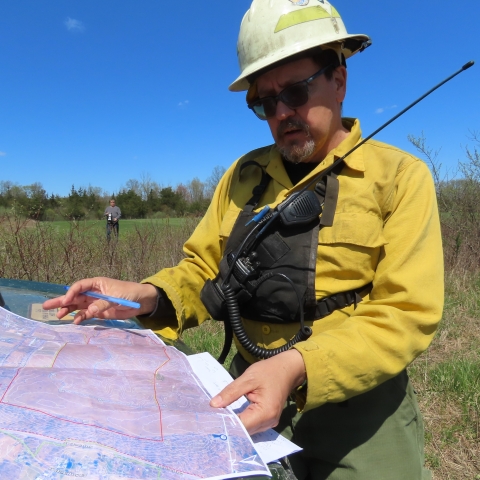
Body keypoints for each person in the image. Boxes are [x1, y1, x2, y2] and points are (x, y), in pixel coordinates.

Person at [43, 1, 444, 478]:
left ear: (339, 80)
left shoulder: (398, 177)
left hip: (358, 416)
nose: (280, 113)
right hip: (245, 393)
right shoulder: (243, 176)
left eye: (294, 92)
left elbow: (406, 312)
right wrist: (147, 296)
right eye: (263, 102)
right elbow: (201, 270)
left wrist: (295, 367)